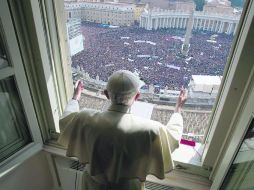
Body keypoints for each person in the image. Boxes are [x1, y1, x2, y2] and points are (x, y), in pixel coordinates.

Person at [58, 70, 187, 190]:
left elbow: (65, 121)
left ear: (106, 94)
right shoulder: (151, 130)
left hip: (92, 185)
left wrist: (75, 98)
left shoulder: (85, 118)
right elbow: (173, 137)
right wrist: (177, 111)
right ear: (137, 96)